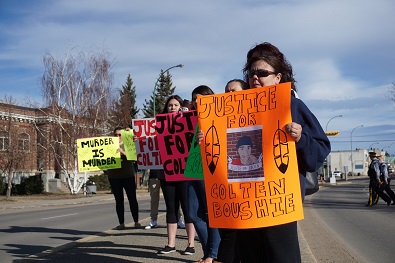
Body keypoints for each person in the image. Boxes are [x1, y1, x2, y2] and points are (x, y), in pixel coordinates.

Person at [234, 42, 331, 262]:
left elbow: (319, 151)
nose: (255, 77)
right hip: (244, 204)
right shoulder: (236, 109)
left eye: (262, 72)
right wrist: (206, 142)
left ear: (278, 78)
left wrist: (301, 138)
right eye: (251, 73)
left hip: (279, 203)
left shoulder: (293, 106)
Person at [157, 95, 196, 255]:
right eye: (170, 105)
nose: (172, 107)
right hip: (166, 173)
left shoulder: (189, 124)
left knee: (188, 209)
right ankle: (170, 244)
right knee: (171, 208)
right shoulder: (159, 126)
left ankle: (191, 244)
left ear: (181, 107)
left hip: (185, 172)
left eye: (175, 105)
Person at [188, 85, 221, 263]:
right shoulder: (188, 120)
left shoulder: (218, 117)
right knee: (193, 213)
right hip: (192, 170)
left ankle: (212, 255)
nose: (196, 102)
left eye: (200, 99)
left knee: (212, 213)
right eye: (194, 99)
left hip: (211, 171)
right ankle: (209, 251)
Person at [107, 127, 141, 230]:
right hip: (114, 177)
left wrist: (122, 151)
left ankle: (136, 222)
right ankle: (121, 223)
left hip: (128, 176)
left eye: (119, 135)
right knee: (119, 201)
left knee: (132, 199)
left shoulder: (129, 143)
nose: (118, 137)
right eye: (116, 135)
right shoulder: (108, 145)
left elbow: (134, 157)